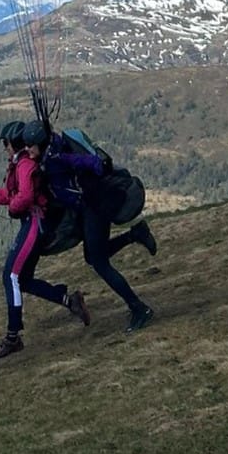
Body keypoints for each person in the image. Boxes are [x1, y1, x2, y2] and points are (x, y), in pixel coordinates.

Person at [0, 121, 90, 359]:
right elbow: (11, 193)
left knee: (11, 276)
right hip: (36, 223)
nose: (4, 148)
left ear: (12, 143)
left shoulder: (24, 165)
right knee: (22, 280)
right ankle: (70, 300)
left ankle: (13, 337)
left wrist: (13, 209)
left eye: (5, 143)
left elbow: (23, 197)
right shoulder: (21, 163)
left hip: (34, 223)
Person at [42, 128, 157, 334]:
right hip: (95, 205)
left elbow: (82, 171)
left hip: (95, 207)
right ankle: (135, 234)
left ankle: (139, 308)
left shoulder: (56, 160)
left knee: (100, 263)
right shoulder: (59, 149)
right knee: (92, 256)